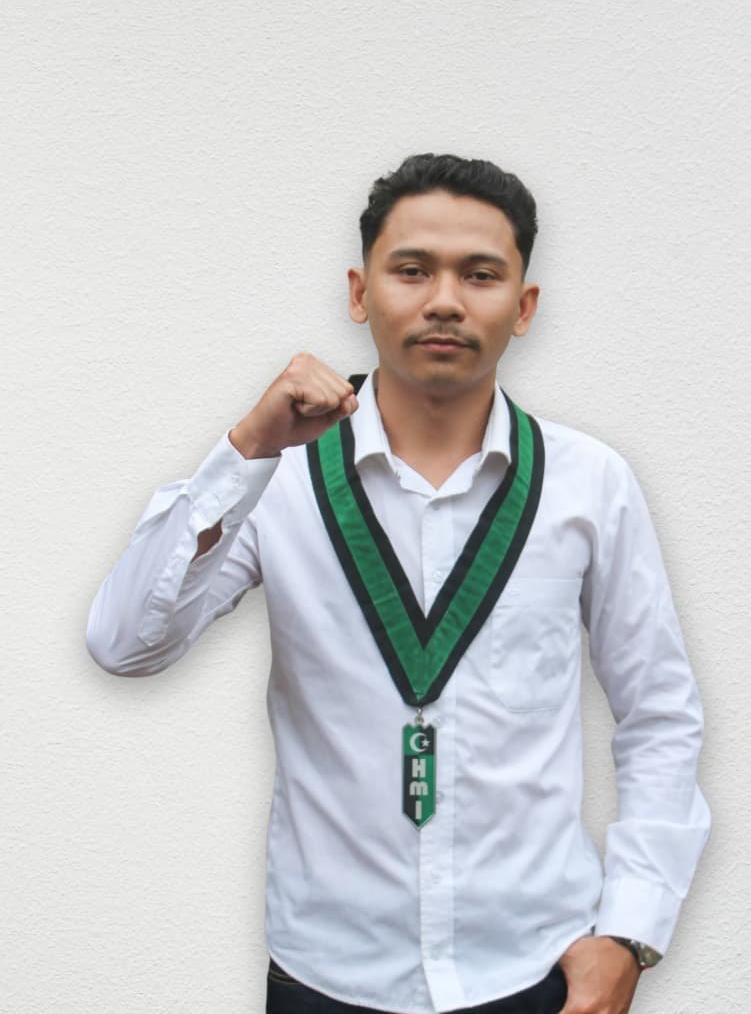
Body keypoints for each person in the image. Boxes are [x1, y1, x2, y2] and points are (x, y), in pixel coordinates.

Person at [87, 153, 710, 1014]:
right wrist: (244, 450)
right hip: (326, 975)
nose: (445, 299)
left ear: (524, 305)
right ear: (359, 292)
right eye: (412, 270)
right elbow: (123, 643)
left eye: (480, 274)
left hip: (534, 971)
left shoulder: (590, 483)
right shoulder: (280, 474)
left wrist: (631, 934)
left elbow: (660, 712)